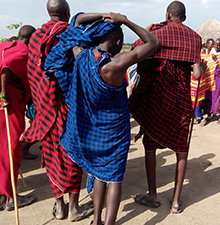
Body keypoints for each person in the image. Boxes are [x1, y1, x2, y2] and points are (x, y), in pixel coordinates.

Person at [44, 12, 160, 225]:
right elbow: (153, 42)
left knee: (98, 174)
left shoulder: (81, 55)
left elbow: (75, 27)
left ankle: (97, 220)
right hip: (115, 132)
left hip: (91, 132)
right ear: (117, 42)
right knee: (114, 178)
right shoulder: (117, 64)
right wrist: (125, 20)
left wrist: (103, 18)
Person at [22, 0, 94, 221]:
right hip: (69, 109)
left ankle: (59, 206)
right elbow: (83, 70)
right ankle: (73, 208)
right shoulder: (72, 34)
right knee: (72, 155)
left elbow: (34, 75)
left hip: (45, 111)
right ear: (67, 12)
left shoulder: (35, 38)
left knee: (52, 156)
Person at [129, 1, 204, 213]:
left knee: (150, 143)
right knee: (182, 149)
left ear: (168, 14)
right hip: (181, 100)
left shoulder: (158, 32)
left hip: (157, 97)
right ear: (184, 17)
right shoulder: (194, 38)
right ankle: (176, 202)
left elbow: (136, 50)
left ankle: (152, 195)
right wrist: (202, 66)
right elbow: (197, 75)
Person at [0, 25, 36, 211]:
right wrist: (4, 95)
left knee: (3, 149)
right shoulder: (21, 52)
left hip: (7, 104)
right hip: (9, 106)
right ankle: (10, 198)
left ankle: (2, 194)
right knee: (11, 149)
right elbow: (7, 65)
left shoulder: (6, 45)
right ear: (31, 39)